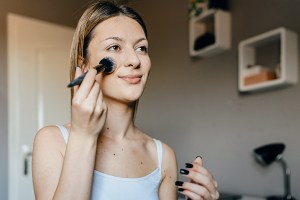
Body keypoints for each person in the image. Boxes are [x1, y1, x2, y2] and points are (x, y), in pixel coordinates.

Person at [32, 1, 219, 199]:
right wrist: (84, 136)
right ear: (84, 65)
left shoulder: (163, 156)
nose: (135, 60)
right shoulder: (52, 141)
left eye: (141, 48)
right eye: (114, 47)